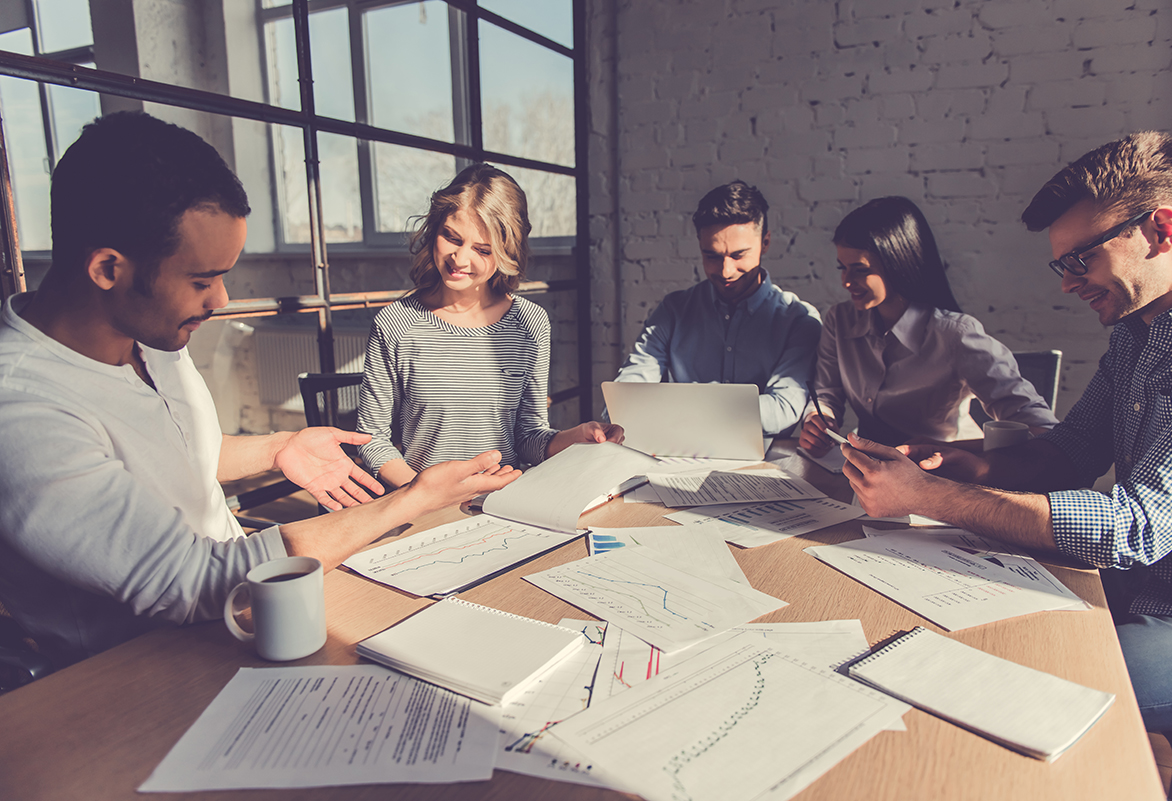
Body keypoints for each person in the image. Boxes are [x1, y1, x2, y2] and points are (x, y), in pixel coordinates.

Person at [0, 112, 520, 669]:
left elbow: (168, 454)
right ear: (108, 268)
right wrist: (409, 500)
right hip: (138, 670)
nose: (220, 299)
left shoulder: (146, 331)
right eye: (201, 280)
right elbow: (192, 581)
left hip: (244, 619)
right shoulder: (23, 409)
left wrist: (275, 447)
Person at [842, 132, 1172, 778]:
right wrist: (955, 464)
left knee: (1024, 682)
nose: (1068, 284)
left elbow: (1132, 528)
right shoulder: (1135, 334)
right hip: (1131, 591)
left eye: (1082, 259)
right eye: (1061, 264)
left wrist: (927, 498)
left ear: (1163, 229)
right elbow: (1069, 451)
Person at [357, 163, 621, 489]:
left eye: (482, 250)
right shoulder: (396, 324)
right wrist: (425, 493)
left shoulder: (530, 324)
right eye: (451, 237)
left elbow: (528, 436)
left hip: (502, 503)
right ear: (434, 229)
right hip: (422, 507)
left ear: (506, 252)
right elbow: (371, 438)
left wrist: (575, 437)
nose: (460, 259)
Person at [798, 196, 1058, 455]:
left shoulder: (956, 335)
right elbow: (826, 392)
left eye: (860, 269)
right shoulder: (839, 321)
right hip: (873, 468)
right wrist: (819, 418)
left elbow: (1039, 427)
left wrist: (946, 449)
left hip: (946, 473)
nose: (846, 281)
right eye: (841, 267)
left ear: (896, 263)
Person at [609, 181, 822, 435]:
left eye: (738, 255)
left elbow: (782, 410)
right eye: (712, 256)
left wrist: (674, 409)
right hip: (680, 456)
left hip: (764, 466)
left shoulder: (799, 320)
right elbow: (624, 399)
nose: (725, 271)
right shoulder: (673, 310)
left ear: (765, 242)